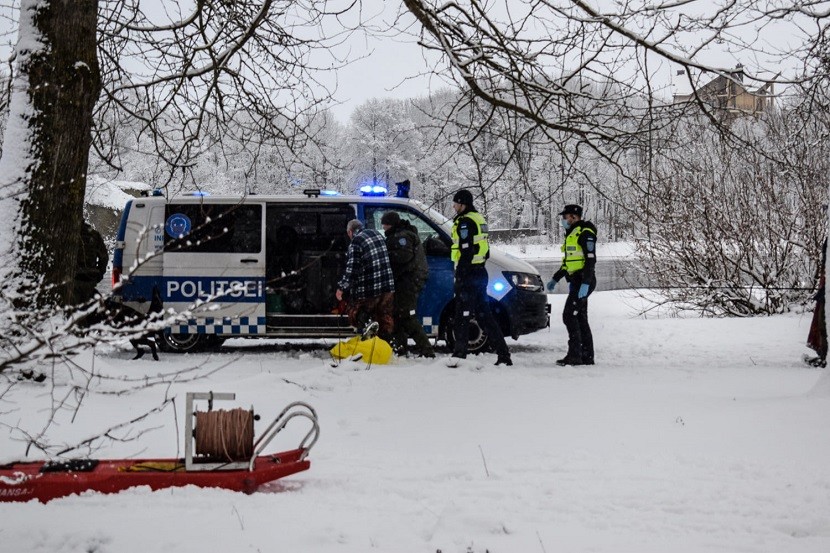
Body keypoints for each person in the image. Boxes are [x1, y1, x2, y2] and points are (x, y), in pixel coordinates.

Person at [447, 189, 512, 367]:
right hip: (479, 272)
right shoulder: (478, 218)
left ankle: (459, 355)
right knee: (484, 316)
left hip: (468, 274)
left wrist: (460, 275)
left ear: (463, 203)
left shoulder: (465, 222)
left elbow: (466, 251)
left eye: (455, 203)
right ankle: (503, 354)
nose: (453, 206)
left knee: (462, 315)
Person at [548, 204, 597, 366]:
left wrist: (586, 283)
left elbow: (590, 260)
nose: (563, 220)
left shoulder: (585, 233)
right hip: (576, 280)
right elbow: (569, 262)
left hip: (583, 280)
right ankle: (586, 356)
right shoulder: (571, 234)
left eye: (565, 217)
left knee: (569, 315)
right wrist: (556, 278)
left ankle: (575, 355)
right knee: (580, 317)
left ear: (574, 217)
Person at [381, 211, 435, 358]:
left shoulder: (401, 237)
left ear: (390, 224)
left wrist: (385, 255)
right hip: (405, 281)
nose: (383, 227)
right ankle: (400, 348)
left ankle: (427, 351)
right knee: (398, 315)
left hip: (408, 282)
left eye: (384, 224)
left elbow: (403, 257)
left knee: (406, 316)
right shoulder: (400, 234)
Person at [336, 219, 395, 340]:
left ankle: (366, 336)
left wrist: (341, 288)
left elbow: (352, 269)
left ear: (350, 232)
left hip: (370, 289)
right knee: (384, 317)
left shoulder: (356, 242)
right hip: (387, 287)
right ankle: (387, 344)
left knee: (357, 314)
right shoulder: (377, 234)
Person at [73, 221, 109, 304]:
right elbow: (104, 258)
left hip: (73, 278)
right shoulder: (94, 234)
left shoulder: (66, 233)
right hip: (90, 277)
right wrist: (99, 275)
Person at [806, 239, 827, 367]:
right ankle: (824, 355)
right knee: (822, 323)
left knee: (824, 324)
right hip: (825, 289)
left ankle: (825, 357)